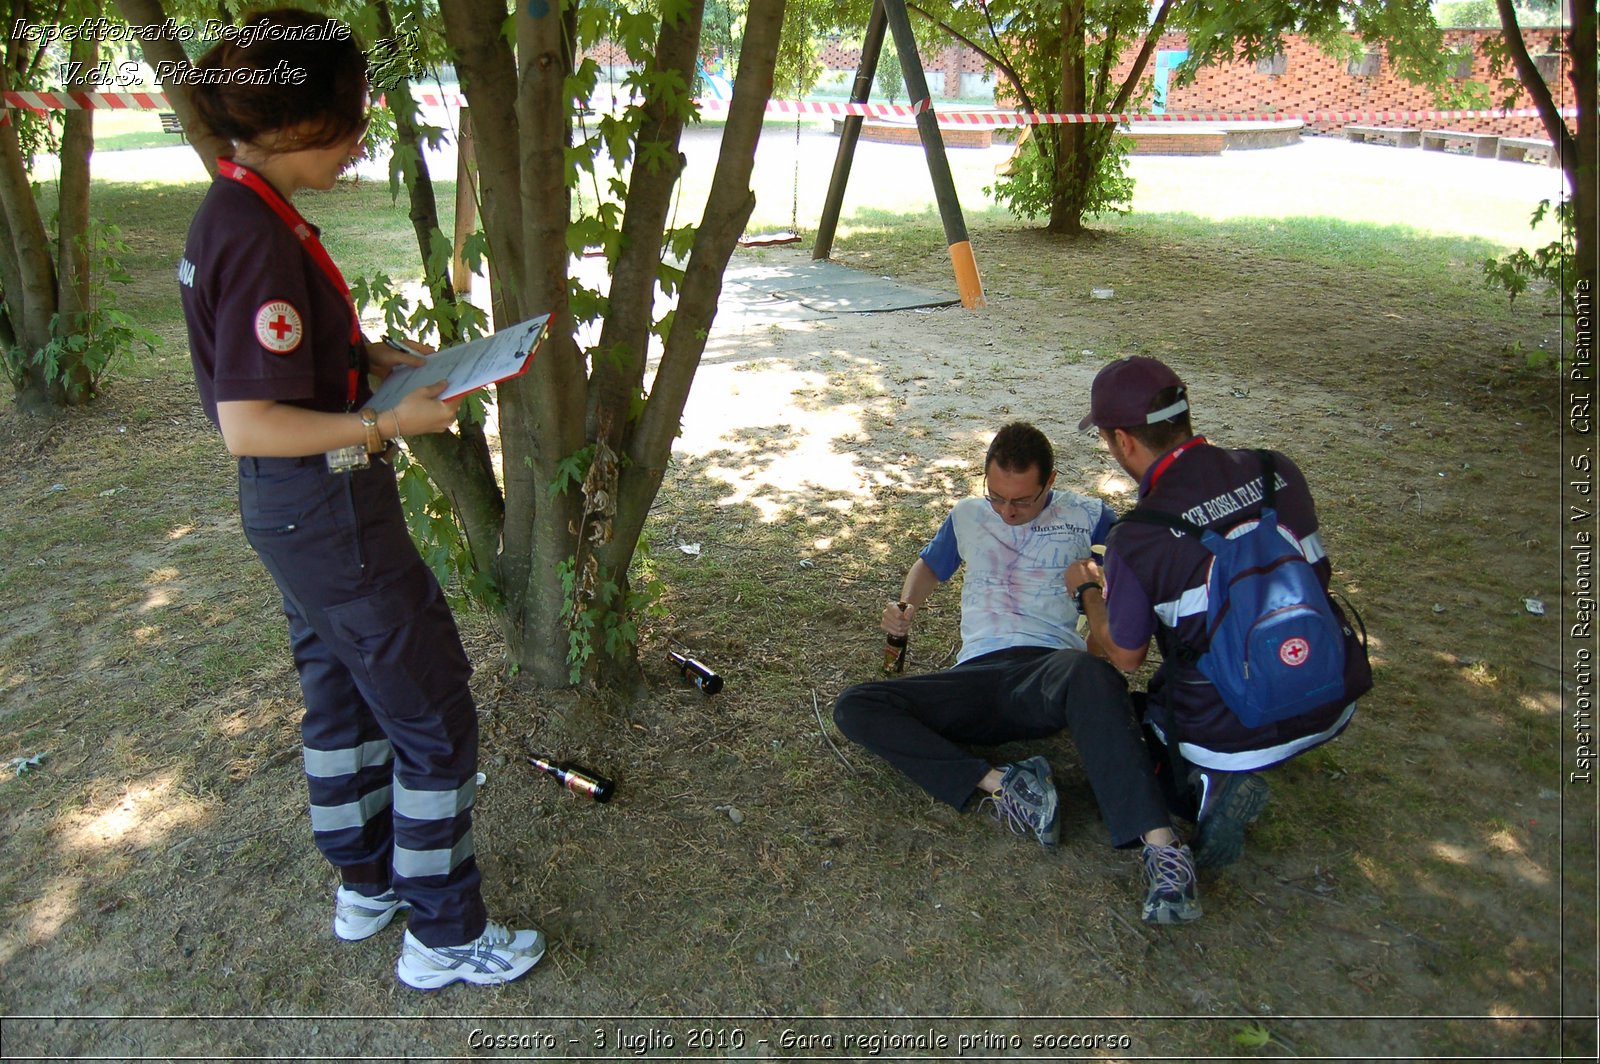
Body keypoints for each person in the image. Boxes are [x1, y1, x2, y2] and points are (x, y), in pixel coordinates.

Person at [177, 9, 542, 990]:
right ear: (301, 122)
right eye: (352, 119)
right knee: (433, 719)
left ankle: (364, 883)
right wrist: (385, 425)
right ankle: (444, 931)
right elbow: (248, 418)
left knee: (340, 698)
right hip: (328, 513)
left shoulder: (240, 210)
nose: (361, 139)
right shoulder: (255, 239)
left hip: (293, 516)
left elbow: (280, 369)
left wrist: (371, 360)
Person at [833, 422, 1202, 925]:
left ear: (1050, 481)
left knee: (1097, 677)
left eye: (1023, 501)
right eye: (997, 496)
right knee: (857, 705)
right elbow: (929, 568)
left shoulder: (1089, 514)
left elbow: (1132, 566)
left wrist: (1099, 597)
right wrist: (905, 607)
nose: (1007, 511)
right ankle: (1006, 785)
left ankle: (1162, 848)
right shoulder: (966, 515)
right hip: (977, 675)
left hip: (1049, 669)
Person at [1070, 356, 1363, 868]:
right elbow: (1318, 578)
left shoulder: (1138, 537)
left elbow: (1125, 654)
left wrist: (1088, 593)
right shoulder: (1276, 470)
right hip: (1324, 692)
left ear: (1124, 441)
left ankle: (1204, 786)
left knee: (1116, 724)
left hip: (1228, 731)